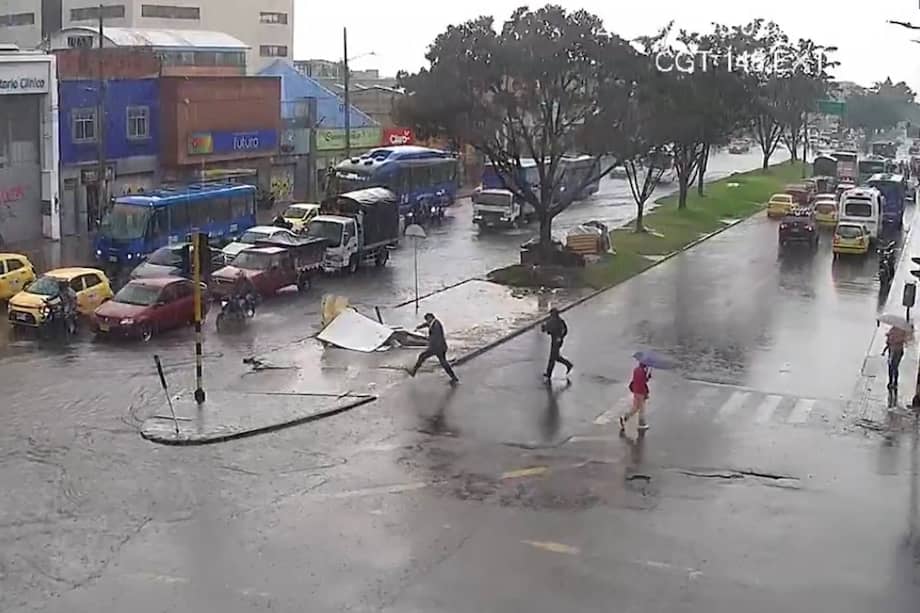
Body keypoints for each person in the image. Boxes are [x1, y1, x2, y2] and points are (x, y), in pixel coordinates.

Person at [408, 313, 459, 384]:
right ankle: (454, 377)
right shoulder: (434, 322)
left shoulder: (436, 325)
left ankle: (413, 371)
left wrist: (428, 341)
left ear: (430, 318)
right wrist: (418, 327)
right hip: (440, 346)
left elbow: (436, 336)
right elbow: (426, 324)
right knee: (443, 362)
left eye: (427, 319)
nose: (427, 321)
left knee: (422, 356)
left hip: (437, 347)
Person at [620, 358, 651, 433]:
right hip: (641, 392)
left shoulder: (636, 370)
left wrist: (646, 376)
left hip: (636, 391)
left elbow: (638, 380)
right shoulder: (643, 372)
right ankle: (641, 424)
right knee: (642, 408)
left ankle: (625, 417)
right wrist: (647, 377)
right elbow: (643, 383)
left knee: (636, 407)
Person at [541, 308, 573, 380]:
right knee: (556, 357)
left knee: (553, 357)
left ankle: (549, 373)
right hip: (557, 340)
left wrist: (543, 326)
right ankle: (568, 365)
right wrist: (561, 337)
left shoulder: (555, 321)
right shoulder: (559, 321)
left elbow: (546, 329)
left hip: (556, 341)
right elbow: (565, 330)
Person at [883, 325, 910, 391]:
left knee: (894, 366)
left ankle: (894, 382)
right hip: (892, 351)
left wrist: (898, 341)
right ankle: (891, 381)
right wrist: (884, 350)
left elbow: (905, 341)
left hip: (898, 352)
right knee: (891, 366)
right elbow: (888, 343)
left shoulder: (902, 332)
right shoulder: (892, 331)